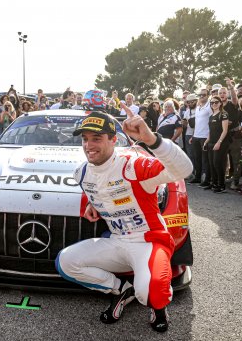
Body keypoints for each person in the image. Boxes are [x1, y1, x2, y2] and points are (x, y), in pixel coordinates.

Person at [56, 109, 193, 333]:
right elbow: (97, 190)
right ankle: (122, 289)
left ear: (113, 140)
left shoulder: (132, 165)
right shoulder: (80, 172)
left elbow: (184, 169)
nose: (89, 145)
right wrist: (93, 204)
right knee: (66, 262)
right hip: (117, 241)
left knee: (151, 293)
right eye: (85, 139)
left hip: (150, 241)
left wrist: (152, 139)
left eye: (97, 138)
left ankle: (158, 306)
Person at [204, 95, 230, 193]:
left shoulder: (223, 114)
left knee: (217, 164)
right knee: (211, 164)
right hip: (211, 143)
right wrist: (207, 141)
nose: (214, 104)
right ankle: (214, 183)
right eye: (212, 103)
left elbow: (225, 131)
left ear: (220, 103)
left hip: (221, 143)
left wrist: (219, 142)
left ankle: (221, 185)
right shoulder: (211, 116)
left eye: (216, 102)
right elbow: (211, 131)